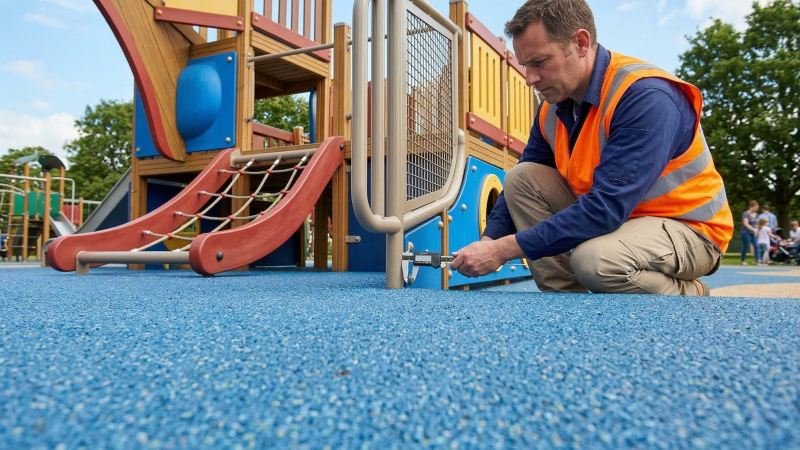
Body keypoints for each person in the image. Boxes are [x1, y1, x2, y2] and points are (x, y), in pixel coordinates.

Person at [450, 0, 734, 296]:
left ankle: (690, 293)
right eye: (525, 65)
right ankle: (566, 301)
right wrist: (489, 240)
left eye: (540, 62)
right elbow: (519, 189)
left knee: (596, 262)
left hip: (689, 228)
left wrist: (503, 249)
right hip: (622, 223)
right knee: (522, 177)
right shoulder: (553, 108)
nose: (529, 79)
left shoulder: (646, 97)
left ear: (581, 43)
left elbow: (606, 207)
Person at [740, 200, 760, 265]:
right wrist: (753, 229)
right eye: (755, 208)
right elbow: (745, 223)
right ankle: (743, 260)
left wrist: (756, 230)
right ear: (751, 207)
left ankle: (758, 261)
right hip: (745, 232)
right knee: (746, 246)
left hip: (753, 233)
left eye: (757, 208)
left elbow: (757, 224)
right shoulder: (746, 214)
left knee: (756, 246)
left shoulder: (757, 215)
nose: (756, 209)